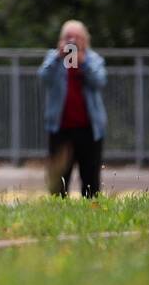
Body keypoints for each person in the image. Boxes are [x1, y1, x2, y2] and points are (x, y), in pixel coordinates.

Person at [39, 20, 108, 197]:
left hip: (89, 130)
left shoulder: (93, 59)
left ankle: (92, 214)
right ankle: (58, 216)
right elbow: (43, 77)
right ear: (61, 40)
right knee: (58, 181)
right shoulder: (54, 58)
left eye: (76, 37)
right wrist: (57, 56)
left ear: (85, 40)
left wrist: (82, 62)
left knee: (90, 180)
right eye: (68, 37)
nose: (73, 41)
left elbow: (100, 81)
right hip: (61, 130)